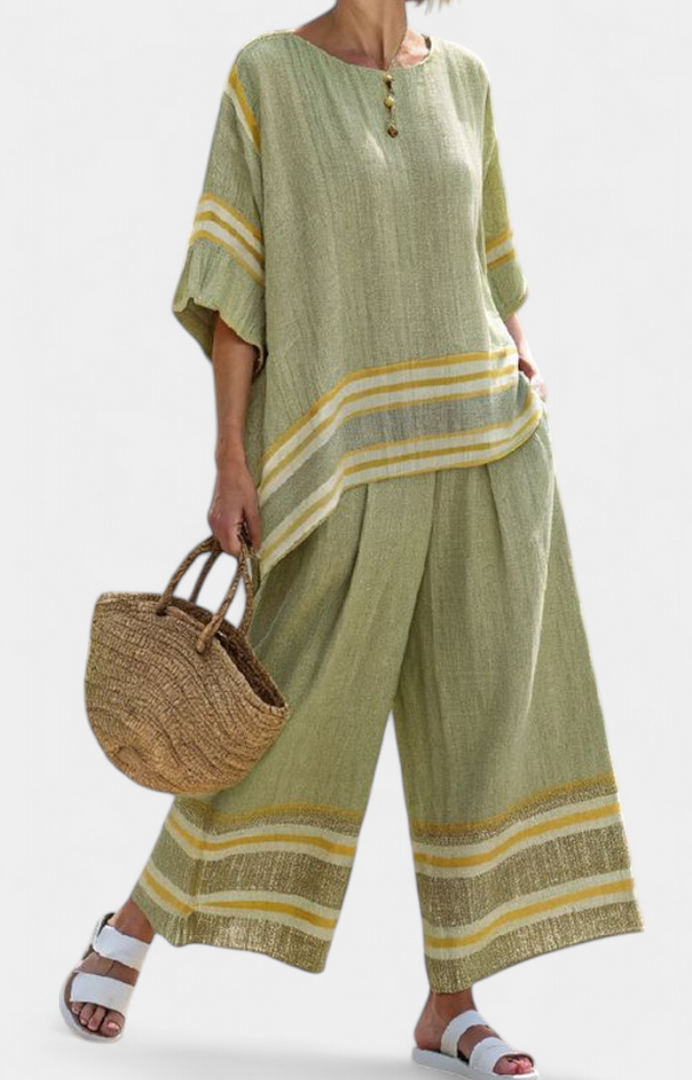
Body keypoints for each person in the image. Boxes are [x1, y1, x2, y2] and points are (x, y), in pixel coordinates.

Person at [60, 2, 645, 1075]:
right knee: (280, 713)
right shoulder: (268, 77)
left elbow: (490, 258)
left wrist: (524, 361)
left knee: (481, 720)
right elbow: (236, 287)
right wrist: (231, 461)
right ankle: (132, 924)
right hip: (342, 465)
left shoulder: (464, 79)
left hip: (485, 446)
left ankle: (452, 1004)